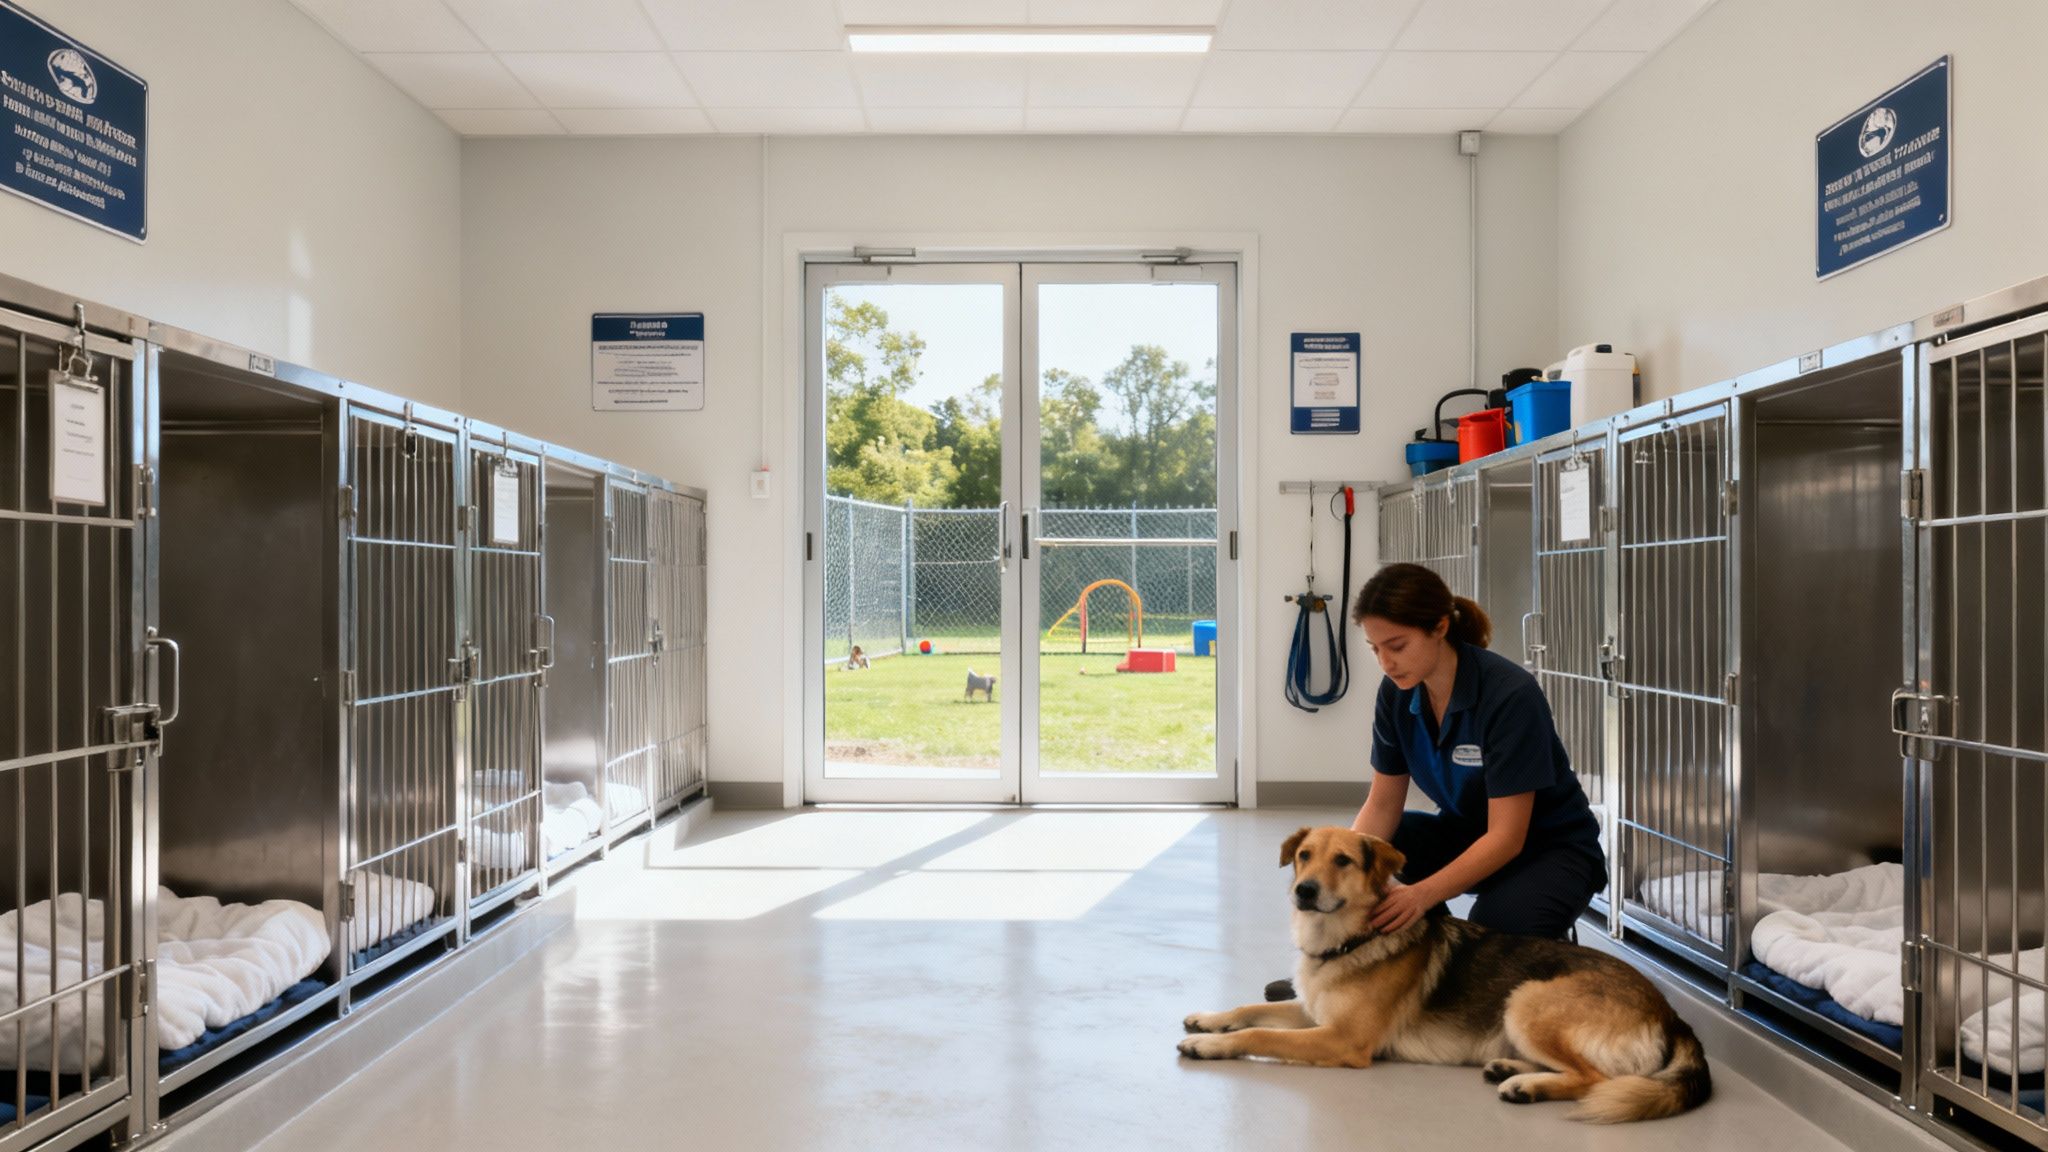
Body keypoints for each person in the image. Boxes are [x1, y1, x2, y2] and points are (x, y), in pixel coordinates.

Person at [1266, 562, 1607, 1002]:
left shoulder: (1509, 695)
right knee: (1382, 848)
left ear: (1440, 627)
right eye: (1374, 649)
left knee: (1485, 945)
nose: (1386, 663)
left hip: (1550, 851)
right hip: (1469, 834)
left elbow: (1507, 836)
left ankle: (1490, 960)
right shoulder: (1397, 693)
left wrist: (1420, 896)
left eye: (1397, 646)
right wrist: (1343, 866)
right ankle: (1337, 970)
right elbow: (1384, 802)